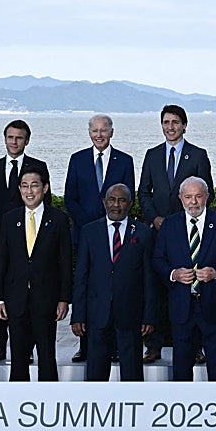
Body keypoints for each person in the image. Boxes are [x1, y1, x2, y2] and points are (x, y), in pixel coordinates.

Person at [137, 104, 213, 363]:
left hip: (189, 234)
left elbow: (207, 193)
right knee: (156, 288)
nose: (170, 127)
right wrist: (154, 218)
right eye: (166, 122)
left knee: (191, 289)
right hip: (158, 231)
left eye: (175, 122)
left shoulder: (199, 155)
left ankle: (195, 347)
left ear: (184, 125)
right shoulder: (152, 155)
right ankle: (154, 345)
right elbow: (143, 193)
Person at [153, 177, 216, 383]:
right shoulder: (170, 225)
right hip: (182, 306)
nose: (193, 202)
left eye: (198, 196)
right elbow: (157, 260)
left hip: (214, 304)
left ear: (207, 197)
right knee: (181, 368)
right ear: (180, 198)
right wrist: (173, 274)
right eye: (188, 197)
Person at [64, 114, 135, 362]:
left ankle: (115, 346)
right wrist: (90, 227)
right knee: (87, 288)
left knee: (115, 289)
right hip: (86, 236)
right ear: (89, 133)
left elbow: (129, 197)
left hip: (116, 236)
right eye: (94, 130)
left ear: (112, 132)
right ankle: (85, 346)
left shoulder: (125, 161)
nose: (99, 135)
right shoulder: (77, 159)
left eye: (103, 130)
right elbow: (70, 198)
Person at [0, 119, 48, 365]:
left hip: (29, 242)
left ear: (27, 140)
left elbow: (43, 207)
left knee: (27, 296)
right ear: (4, 139)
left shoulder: (38, 166)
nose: (14, 142)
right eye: (10, 137)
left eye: (19, 138)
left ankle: (26, 348)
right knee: (1, 294)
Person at [0, 163, 72, 382]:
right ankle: (18, 403)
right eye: (24, 186)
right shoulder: (10, 219)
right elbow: (2, 261)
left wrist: (64, 299)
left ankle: (49, 403)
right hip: (16, 299)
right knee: (18, 358)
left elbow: (65, 261)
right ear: (19, 189)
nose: (29, 191)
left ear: (45, 188)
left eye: (34, 186)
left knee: (47, 356)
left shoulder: (58, 219)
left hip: (46, 300)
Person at [71, 184, 156, 382]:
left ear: (130, 204)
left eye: (122, 200)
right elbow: (81, 276)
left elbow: (149, 279)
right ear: (104, 202)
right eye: (112, 199)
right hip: (97, 314)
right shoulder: (89, 232)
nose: (116, 205)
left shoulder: (142, 232)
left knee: (132, 373)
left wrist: (149, 316)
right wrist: (78, 315)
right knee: (96, 375)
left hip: (130, 314)